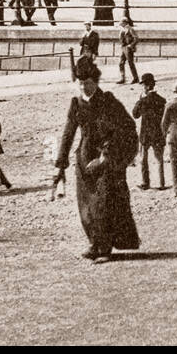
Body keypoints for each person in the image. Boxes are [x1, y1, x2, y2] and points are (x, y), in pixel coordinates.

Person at [54, 57, 141, 261]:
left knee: (104, 202)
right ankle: (95, 243)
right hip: (84, 160)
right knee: (86, 205)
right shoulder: (76, 103)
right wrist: (61, 163)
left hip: (107, 160)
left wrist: (105, 157)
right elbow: (68, 133)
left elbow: (126, 128)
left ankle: (104, 248)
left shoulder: (108, 101)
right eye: (81, 83)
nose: (84, 87)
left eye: (88, 83)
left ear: (96, 82)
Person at [132, 73, 167, 190]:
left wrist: (139, 100)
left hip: (145, 133)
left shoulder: (143, 101)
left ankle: (145, 182)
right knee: (159, 159)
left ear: (146, 86)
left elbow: (135, 114)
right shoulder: (162, 100)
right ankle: (161, 183)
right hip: (157, 132)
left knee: (143, 160)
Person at [117, 19, 139, 84]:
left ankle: (135, 78)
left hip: (128, 48)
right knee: (121, 63)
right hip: (123, 48)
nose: (120, 24)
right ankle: (122, 78)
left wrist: (131, 45)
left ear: (124, 22)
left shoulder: (130, 29)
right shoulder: (122, 29)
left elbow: (136, 38)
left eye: (121, 23)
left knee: (130, 63)